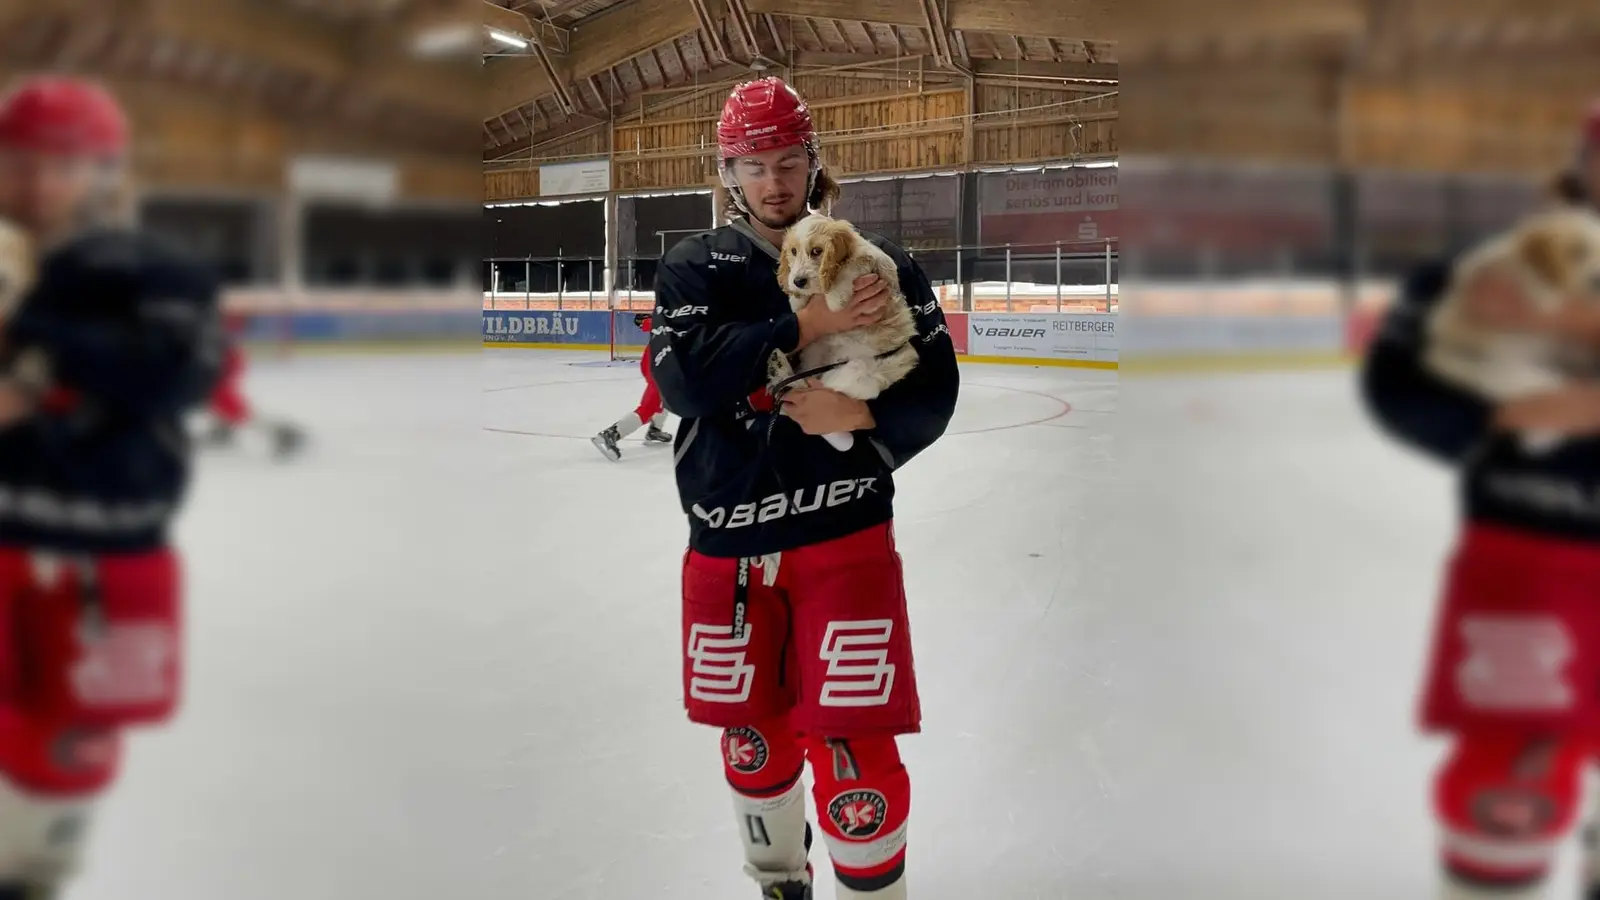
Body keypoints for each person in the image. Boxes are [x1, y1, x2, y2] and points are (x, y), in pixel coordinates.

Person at [648, 77, 959, 900]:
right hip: (728, 546)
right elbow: (683, 385)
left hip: (843, 540)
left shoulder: (881, 264)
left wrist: (857, 408)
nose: (773, 181)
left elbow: (934, 390)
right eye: (753, 164)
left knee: (854, 744)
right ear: (728, 172)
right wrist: (805, 328)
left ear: (814, 163)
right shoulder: (692, 266)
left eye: (788, 160)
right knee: (754, 739)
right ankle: (777, 880)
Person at [1362, 101, 1600, 900]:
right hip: (1530, 565)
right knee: (1504, 809)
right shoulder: (1481, 270)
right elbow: (1396, 388)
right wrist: (1501, 415)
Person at [0, 76, 221, 899]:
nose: (36, 183)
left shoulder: (154, 268)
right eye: (18, 161)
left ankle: (32, 871)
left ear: (105, 171)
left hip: (101, 557)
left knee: (60, 761)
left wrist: (32, 336)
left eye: (62, 163)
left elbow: (170, 376)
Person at [196, 311, 305, 460]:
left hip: (217, 360)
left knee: (223, 401)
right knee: (214, 399)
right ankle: (223, 428)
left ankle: (281, 432)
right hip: (217, 359)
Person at [590, 311, 672, 461]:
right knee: (649, 407)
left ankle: (655, 429)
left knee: (670, 397)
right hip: (662, 367)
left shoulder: (677, 311)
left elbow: (650, 323)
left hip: (657, 363)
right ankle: (611, 434)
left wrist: (646, 320)